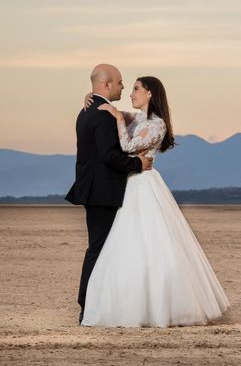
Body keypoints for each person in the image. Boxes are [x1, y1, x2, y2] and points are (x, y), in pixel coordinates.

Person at [79, 75, 230, 327]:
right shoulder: (138, 117)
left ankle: (157, 305)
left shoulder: (157, 124)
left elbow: (127, 146)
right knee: (125, 244)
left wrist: (117, 118)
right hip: (130, 183)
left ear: (150, 93)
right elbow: (113, 109)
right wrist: (92, 99)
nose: (131, 93)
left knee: (150, 243)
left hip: (143, 185)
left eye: (136, 89)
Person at [65, 64, 153, 325]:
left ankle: (100, 304)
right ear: (106, 85)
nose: (123, 87)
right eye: (120, 82)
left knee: (103, 248)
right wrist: (138, 164)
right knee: (99, 249)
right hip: (103, 192)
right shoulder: (102, 115)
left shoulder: (87, 111)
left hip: (97, 190)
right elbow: (108, 156)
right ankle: (88, 306)